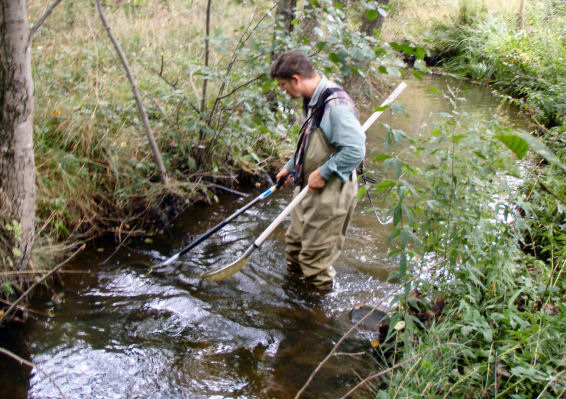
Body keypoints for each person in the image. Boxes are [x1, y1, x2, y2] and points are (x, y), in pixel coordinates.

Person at [271, 50, 365, 290]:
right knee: (294, 247)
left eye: (283, 85)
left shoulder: (335, 106)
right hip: (307, 184)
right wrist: (291, 166)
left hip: (332, 189)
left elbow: (355, 150)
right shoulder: (313, 99)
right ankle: (294, 297)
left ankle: (316, 317)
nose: (283, 90)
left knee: (314, 261)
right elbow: (312, 142)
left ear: (296, 79)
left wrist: (324, 173)